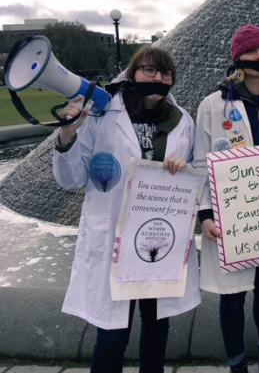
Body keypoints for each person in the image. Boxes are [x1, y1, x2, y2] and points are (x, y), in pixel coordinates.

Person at [53, 45, 201, 373]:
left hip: (157, 241)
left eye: (166, 73)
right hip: (114, 242)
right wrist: (67, 133)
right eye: (149, 70)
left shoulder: (182, 120)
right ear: (133, 73)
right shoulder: (102, 116)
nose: (158, 78)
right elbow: (71, 178)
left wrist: (183, 166)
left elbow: (191, 177)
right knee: (111, 337)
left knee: (156, 329)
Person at [193, 25, 259, 373]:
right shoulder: (213, 105)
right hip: (231, 215)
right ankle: (236, 363)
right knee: (233, 295)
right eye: (252, 51)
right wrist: (205, 213)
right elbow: (199, 162)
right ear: (237, 56)